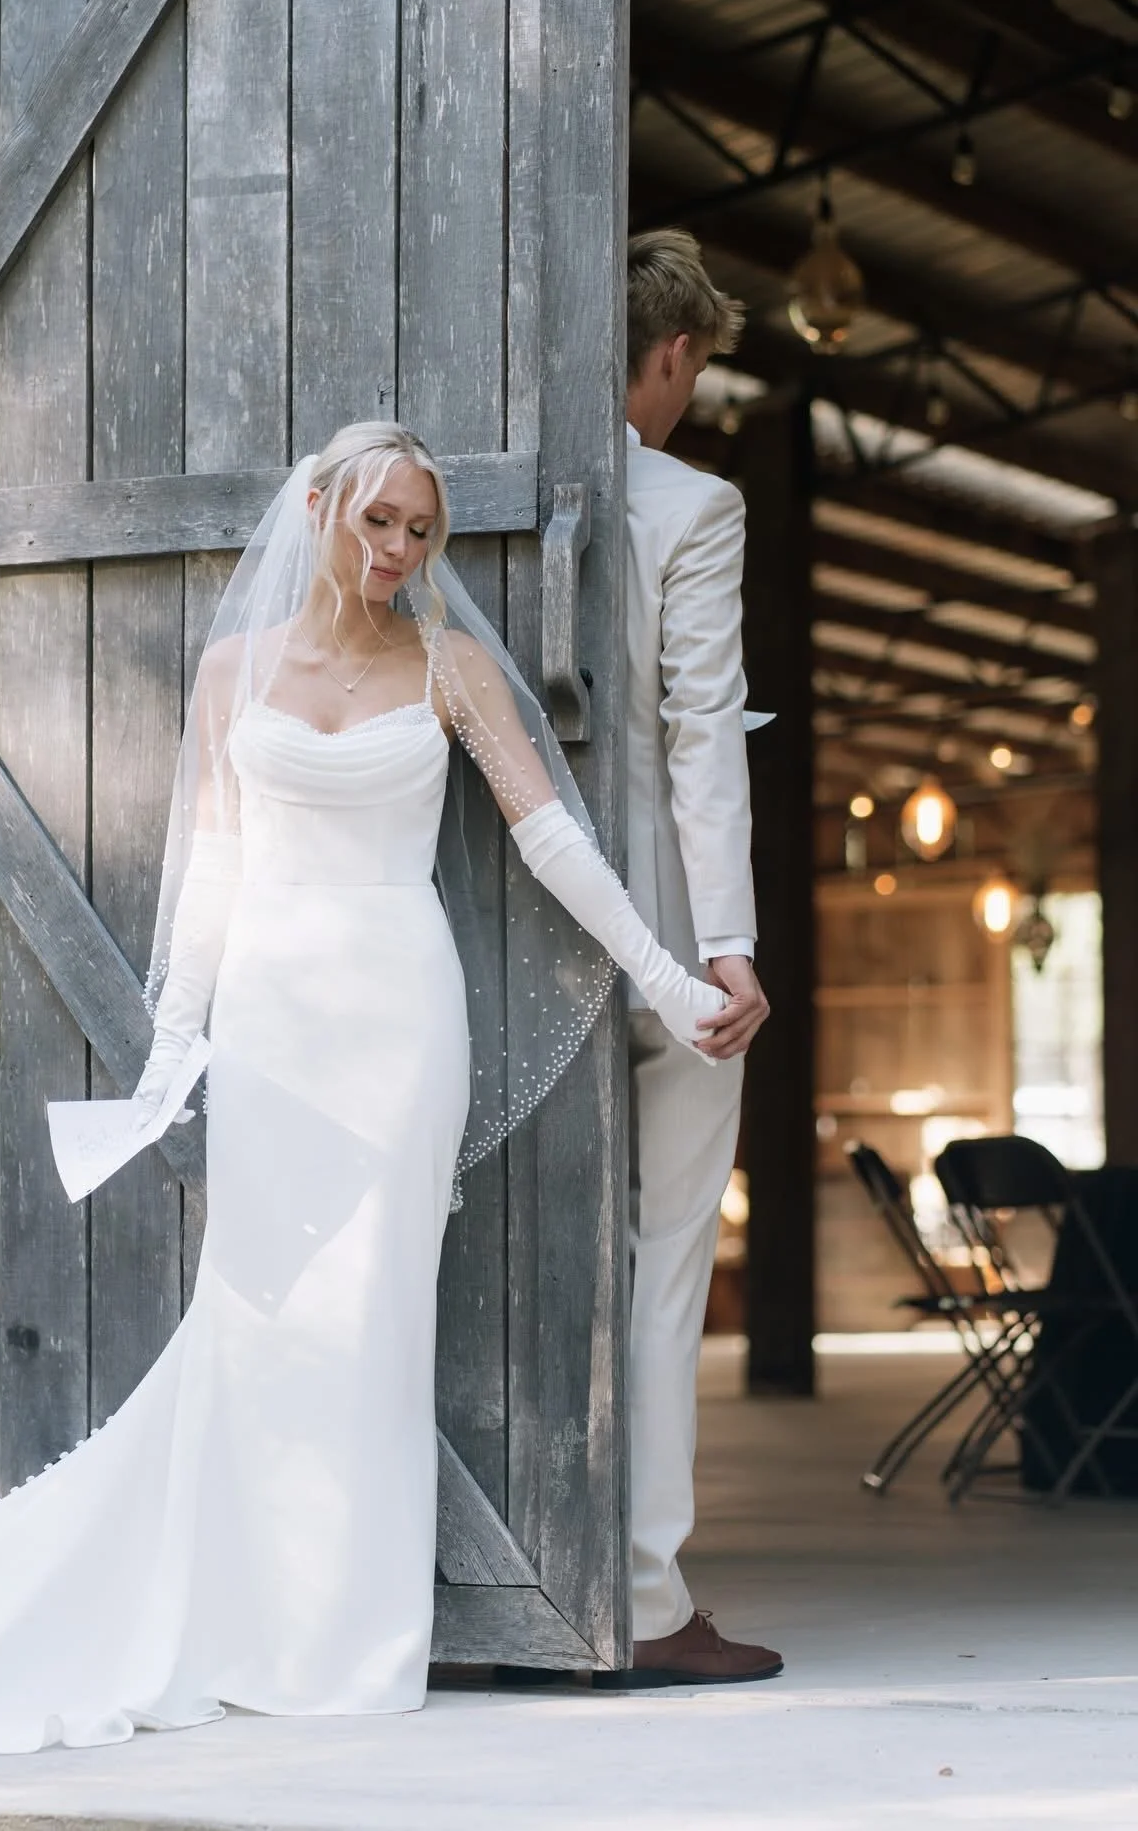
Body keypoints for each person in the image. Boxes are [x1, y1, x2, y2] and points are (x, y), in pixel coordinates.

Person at [0, 421, 746, 1762]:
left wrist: (668, 978)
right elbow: (209, 872)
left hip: (400, 1013)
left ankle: (351, 1645)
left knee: (377, 1315)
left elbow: (552, 840)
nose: (400, 552)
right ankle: (249, 1619)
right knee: (262, 1320)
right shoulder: (234, 669)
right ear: (318, 509)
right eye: (379, 522)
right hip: (270, 1018)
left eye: (420, 531)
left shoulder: (449, 663)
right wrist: (170, 1050)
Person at [598, 230, 781, 1690]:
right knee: (665, 1268)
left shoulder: (451, 489)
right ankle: (649, 1599)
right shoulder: (690, 505)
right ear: (672, 354)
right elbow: (700, 733)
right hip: (656, 913)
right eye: (699, 368)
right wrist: (728, 947)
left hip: (502, 914)